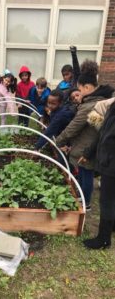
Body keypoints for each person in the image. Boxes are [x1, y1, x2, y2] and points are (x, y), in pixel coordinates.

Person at [56, 60, 114, 211]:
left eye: (80, 90)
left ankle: (85, 203)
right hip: (87, 146)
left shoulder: (91, 106)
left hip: (88, 148)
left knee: (86, 174)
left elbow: (73, 128)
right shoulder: (98, 100)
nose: (79, 94)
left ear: (87, 87)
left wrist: (58, 141)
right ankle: (82, 196)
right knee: (83, 173)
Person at [79, 100, 115, 249]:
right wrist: (89, 152)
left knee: (107, 201)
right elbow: (102, 132)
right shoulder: (113, 106)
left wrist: (104, 157)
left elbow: (108, 137)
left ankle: (103, 239)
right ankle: (112, 225)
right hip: (109, 160)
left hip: (112, 163)